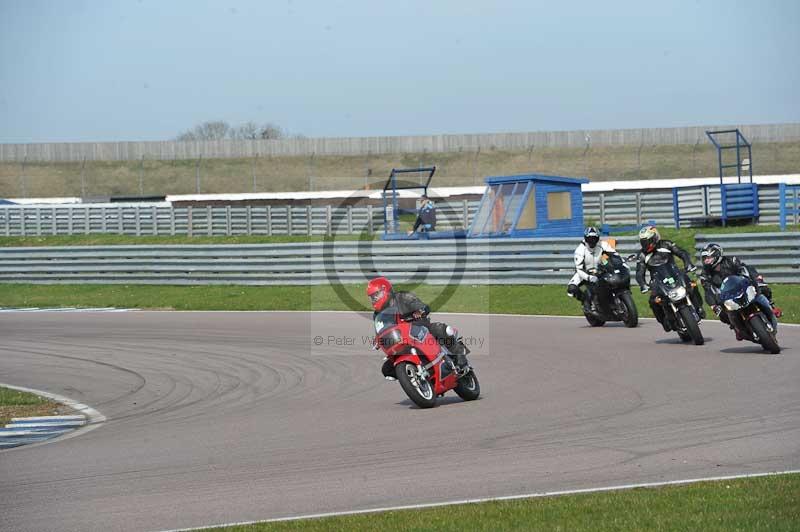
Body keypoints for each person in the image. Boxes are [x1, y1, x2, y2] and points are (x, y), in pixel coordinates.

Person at [366, 276, 469, 379]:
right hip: (401, 339)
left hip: (420, 328)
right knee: (387, 369)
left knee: (441, 329)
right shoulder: (378, 314)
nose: (374, 299)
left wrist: (420, 310)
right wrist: (377, 339)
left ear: (385, 290)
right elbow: (381, 330)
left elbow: (421, 306)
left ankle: (460, 355)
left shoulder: (403, 297)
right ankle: (413, 378)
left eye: (376, 295)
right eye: (371, 297)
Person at [699, 242, 781, 334]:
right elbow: (708, 291)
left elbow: (745, 269)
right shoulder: (705, 274)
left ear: (717, 255)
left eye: (708, 258)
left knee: (763, 288)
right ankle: (737, 328)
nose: (706, 261)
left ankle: (771, 305)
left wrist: (757, 277)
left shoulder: (731, 261)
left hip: (743, 287)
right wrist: (713, 305)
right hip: (727, 296)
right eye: (704, 259)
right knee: (722, 314)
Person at [635, 225, 705, 331]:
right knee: (654, 301)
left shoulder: (666, 244)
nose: (646, 245)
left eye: (647, 241)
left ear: (655, 238)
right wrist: (643, 284)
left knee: (692, 284)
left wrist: (688, 264)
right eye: (643, 242)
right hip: (657, 280)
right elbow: (639, 272)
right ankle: (664, 321)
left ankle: (698, 307)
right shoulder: (642, 255)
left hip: (675, 273)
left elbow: (682, 253)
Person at [567, 226, 619, 311]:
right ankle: (585, 301)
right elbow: (579, 269)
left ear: (598, 238)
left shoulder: (603, 244)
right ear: (585, 238)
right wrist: (589, 277)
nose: (592, 241)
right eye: (590, 239)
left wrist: (620, 262)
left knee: (613, 281)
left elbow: (615, 255)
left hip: (600, 269)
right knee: (571, 288)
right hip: (584, 272)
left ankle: (613, 300)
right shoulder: (580, 250)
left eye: (594, 238)